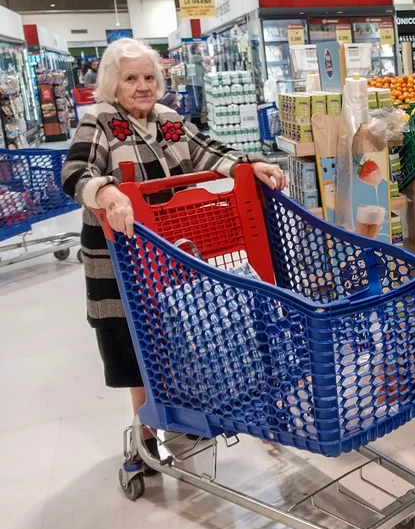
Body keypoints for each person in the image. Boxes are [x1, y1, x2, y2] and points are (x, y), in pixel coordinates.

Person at [62, 38, 286, 468]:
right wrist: (106, 192)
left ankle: (183, 416)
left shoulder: (167, 119)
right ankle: (144, 434)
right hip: (122, 258)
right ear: (113, 82)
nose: (143, 86)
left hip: (174, 251)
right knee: (135, 344)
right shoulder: (100, 121)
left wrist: (248, 163)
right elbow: (75, 172)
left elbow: (205, 150)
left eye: (149, 77)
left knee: (177, 333)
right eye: (131, 78)